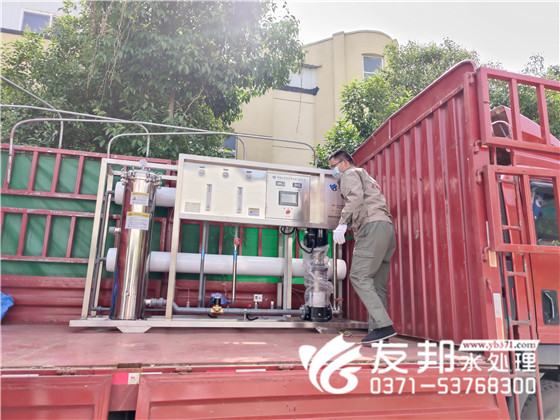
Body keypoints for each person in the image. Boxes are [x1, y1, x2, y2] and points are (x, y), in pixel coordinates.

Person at [328, 149, 397, 344]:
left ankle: (384, 325)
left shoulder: (350, 174)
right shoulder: (367, 176)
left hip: (371, 227)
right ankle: (380, 333)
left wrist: (342, 223)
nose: (333, 171)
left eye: (333, 166)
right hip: (386, 228)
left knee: (358, 276)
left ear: (344, 163)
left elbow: (355, 198)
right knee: (377, 284)